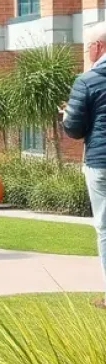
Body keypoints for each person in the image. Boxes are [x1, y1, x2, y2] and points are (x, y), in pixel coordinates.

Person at [63, 22, 106, 306]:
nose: (87, 51)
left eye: (88, 46)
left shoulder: (87, 80)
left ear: (99, 47)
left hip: (100, 163)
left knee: (104, 227)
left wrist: (66, 115)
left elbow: (75, 129)